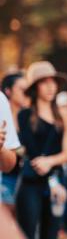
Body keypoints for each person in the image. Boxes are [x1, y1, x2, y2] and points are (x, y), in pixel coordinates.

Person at [14, 61, 67, 239]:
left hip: (57, 187)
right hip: (30, 184)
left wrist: (51, 162)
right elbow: (33, 154)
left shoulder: (62, 116)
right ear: (35, 86)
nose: (50, 87)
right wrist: (46, 166)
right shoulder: (25, 115)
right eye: (44, 82)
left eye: (53, 82)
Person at [1, 72, 29, 212]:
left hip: (25, 178)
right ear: (8, 91)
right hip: (7, 179)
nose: (26, 93)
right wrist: (24, 151)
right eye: (22, 90)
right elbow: (22, 149)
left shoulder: (29, 117)